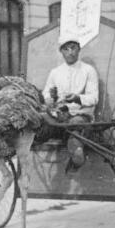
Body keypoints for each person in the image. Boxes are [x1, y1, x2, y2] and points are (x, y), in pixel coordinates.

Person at [42, 36, 99, 170]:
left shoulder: (88, 70)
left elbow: (94, 97)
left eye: (73, 48)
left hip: (81, 115)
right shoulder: (55, 72)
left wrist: (77, 98)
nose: (70, 52)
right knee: (41, 124)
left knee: (75, 125)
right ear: (61, 52)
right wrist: (49, 99)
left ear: (79, 50)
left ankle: (77, 154)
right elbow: (46, 93)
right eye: (66, 49)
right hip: (60, 116)